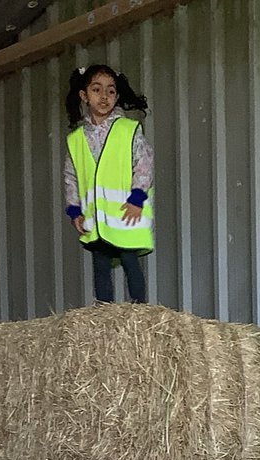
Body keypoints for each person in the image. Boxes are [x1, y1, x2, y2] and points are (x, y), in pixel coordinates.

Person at [64, 64, 154, 304]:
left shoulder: (128, 129)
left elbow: (144, 163)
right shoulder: (76, 140)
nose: (104, 96)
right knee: (100, 264)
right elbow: (71, 176)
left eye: (111, 91)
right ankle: (103, 314)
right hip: (96, 218)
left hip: (126, 213)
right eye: (96, 89)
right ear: (84, 95)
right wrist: (74, 211)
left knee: (129, 259)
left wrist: (137, 198)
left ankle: (141, 312)